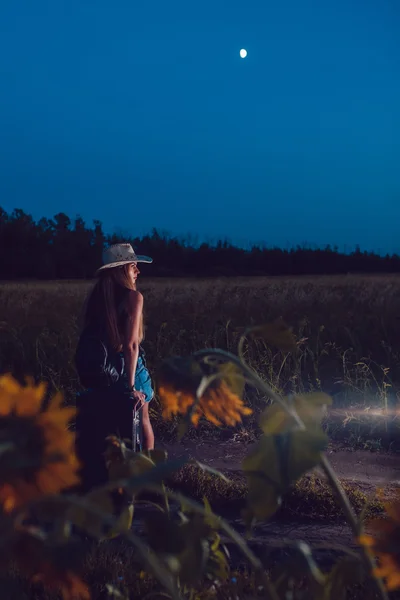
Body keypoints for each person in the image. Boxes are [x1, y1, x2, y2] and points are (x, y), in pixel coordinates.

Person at [74, 243, 155, 493]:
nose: (137, 271)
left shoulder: (99, 298)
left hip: (105, 371)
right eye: (133, 266)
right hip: (128, 369)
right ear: (122, 270)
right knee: (143, 422)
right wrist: (130, 387)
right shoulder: (133, 297)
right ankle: (148, 481)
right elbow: (131, 346)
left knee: (113, 427)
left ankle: (115, 481)